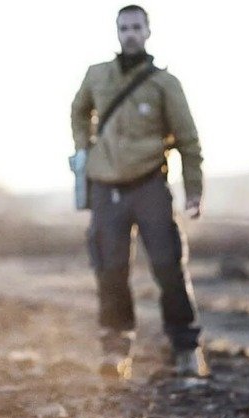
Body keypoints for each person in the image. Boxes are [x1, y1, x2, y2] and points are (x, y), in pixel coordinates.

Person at [70, 4, 209, 379]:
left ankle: (185, 350)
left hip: (149, 184)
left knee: (168, 267)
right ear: (117, 32)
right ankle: (115, 351)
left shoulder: (165, 84)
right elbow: (78, 110)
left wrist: (193, 190)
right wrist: (85, 148)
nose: (129, 33)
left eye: (136, 27)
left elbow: (188, 140)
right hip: (106, 189)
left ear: (148, 32)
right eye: (123, 27)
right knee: (110, 271)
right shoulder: (97, 75)